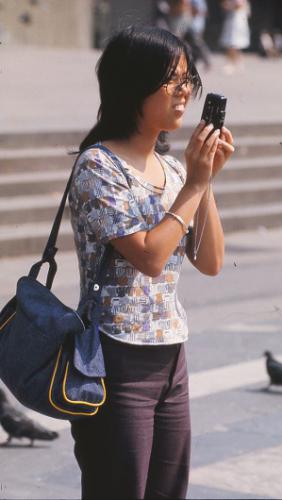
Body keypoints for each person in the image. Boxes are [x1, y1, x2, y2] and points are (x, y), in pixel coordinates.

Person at [68, 25, 234, 500]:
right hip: (115, 359)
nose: (185, 93)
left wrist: (205, 181)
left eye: (187, 79)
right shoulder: (98, 166)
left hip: (170, 354)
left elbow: (211, 260)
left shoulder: (176, 168)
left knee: (167, 492)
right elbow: (150, 257)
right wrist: (195, 187)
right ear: (132, 86)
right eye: (171, 80)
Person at [219, 0, 251, 74]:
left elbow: (238, 5)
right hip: (235, 19)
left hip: (236, 20)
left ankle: (231, 63)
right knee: (234, 43)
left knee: (233, 43)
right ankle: (238, 62)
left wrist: (228, 6)